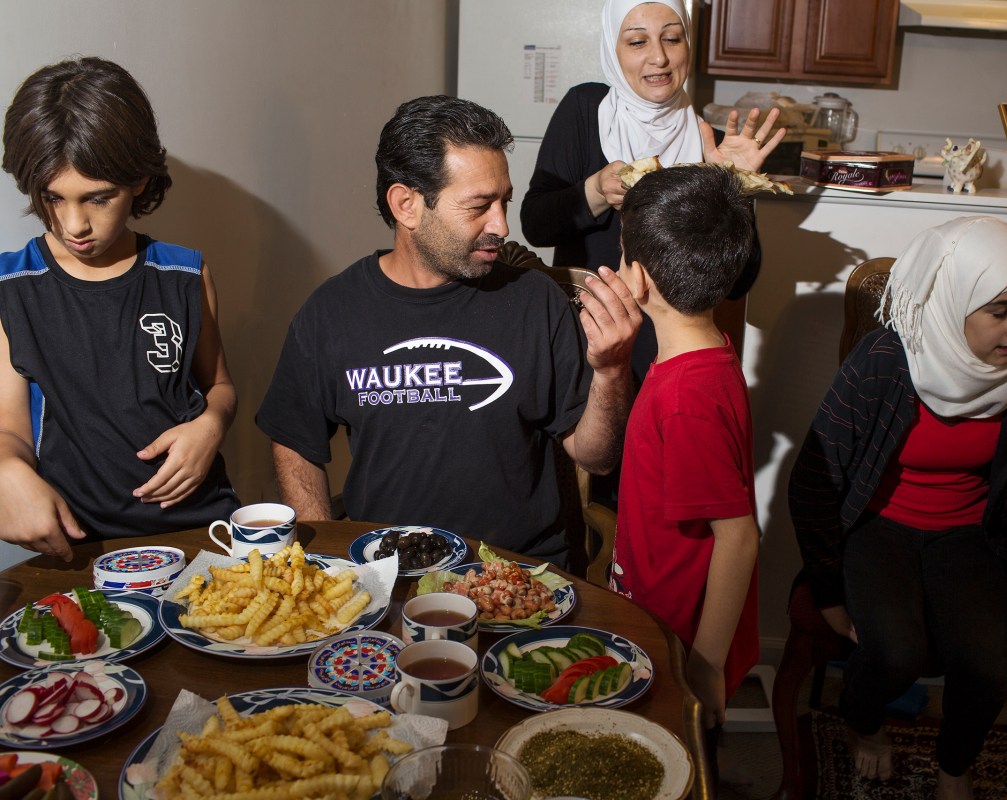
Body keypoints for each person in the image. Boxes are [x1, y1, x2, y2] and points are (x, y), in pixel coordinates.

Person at [256, 95, 639, 567]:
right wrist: (332, 561)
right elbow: (295, 441)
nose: (501, 225)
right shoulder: (331, 312)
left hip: (519, 576)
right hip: (387, 573)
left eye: (505, 202)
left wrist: (613, 370)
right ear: (407, 205)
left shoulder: (536, 299)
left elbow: (596, 456)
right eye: (479, 206)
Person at [788, 216, 1007, 800]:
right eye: (1000, 310)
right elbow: (813, 481)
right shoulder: (886, 358)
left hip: (967, 533)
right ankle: (864, 723)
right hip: (879, 526)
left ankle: (954, 766)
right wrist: (829, 591)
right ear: (951, 300)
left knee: (991, 665)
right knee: (894, 652)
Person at [0, 57, 239, 561]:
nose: (73, 224)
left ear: (138, 180)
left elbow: (218, 385)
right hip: (84, 546)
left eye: (97, 198)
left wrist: (211, 426)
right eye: (52, 198)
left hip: (202, 534)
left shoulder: (183, 274)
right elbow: (10, 431)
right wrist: (6, 471)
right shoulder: (12, 287)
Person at [520, 0, 785, 383]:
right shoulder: (585, 110)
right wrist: (595, 191)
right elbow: (535, 225)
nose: (658, 57)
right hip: (589, 341)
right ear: (614, 48)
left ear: (688, 45)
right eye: (637, 42)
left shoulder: (715, 145)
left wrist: (736, 188)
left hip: (677, 353)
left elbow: (738, 283)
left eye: (672, 39)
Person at [607, 165, 759, 757]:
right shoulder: (707, 353)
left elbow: (739, 538)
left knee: (676, 761)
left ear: (638, 278)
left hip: (677, 638)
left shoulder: (683, 398)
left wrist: (705, 665)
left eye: (622, 256)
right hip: (659, 620)